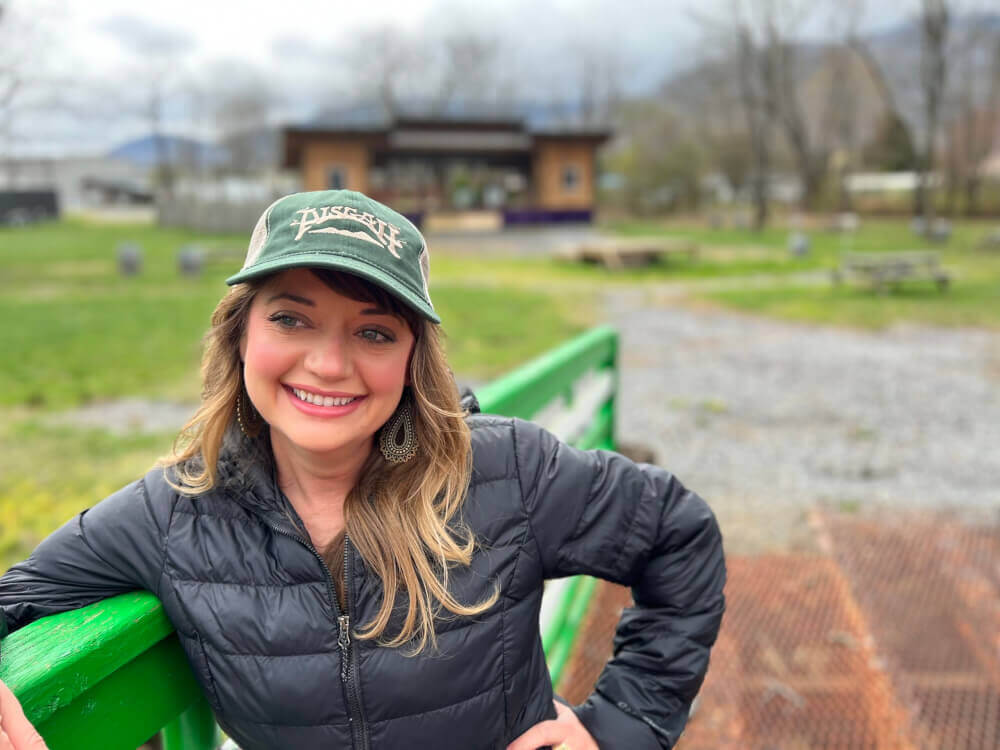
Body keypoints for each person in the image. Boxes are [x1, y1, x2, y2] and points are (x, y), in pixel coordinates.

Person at [0, 190, 726, 749]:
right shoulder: (172, 513)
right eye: (291, 318)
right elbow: (16, 597)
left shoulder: (508, 470)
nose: (329, 363)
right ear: (240, 333)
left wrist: (623, 721)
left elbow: (678, 532)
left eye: (374, 331)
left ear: (413, 358)